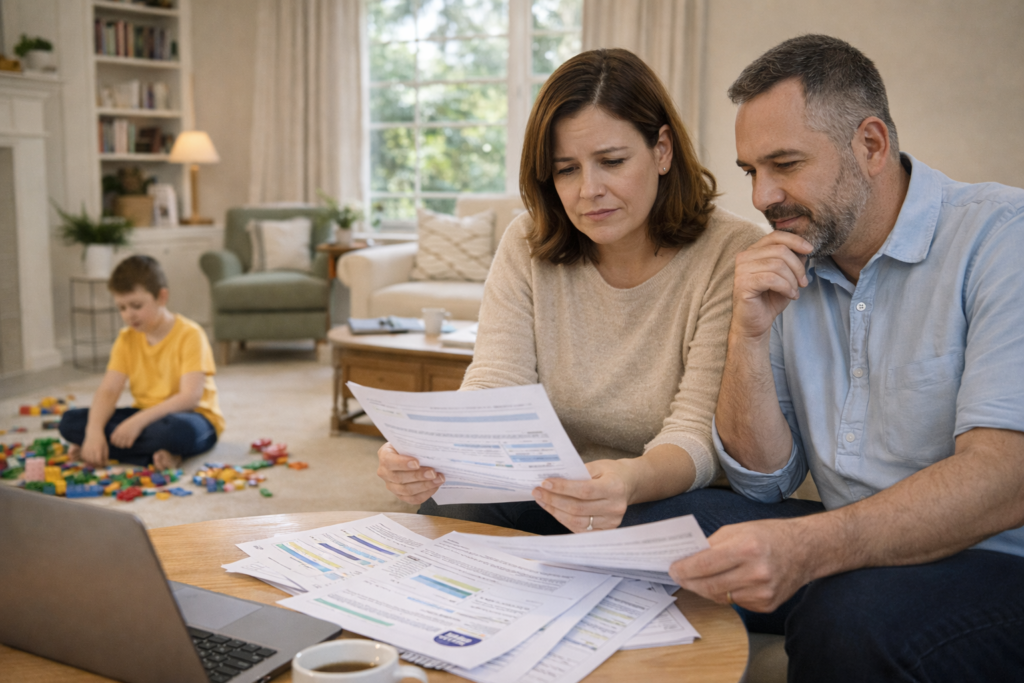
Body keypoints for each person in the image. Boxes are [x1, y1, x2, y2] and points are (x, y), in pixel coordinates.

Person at [656, 35, 1024, 681]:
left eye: (786, 163)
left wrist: (810, 546)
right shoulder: (792, 258)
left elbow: (1005, 478)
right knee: (650, 532)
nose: (763, 197)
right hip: (850, 537)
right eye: (750, 171)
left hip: (995, 558)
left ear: (871, 145)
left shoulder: (1001, 238)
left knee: (848, 615)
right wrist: (746, 335)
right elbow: (763, 479)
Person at [376, 48, 763, 535]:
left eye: (612, 161)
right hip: (548, 486)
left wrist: (627, 479)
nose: (588, 190)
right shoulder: (526, 240)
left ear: (662, 150)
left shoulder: (733, 252)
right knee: (449, 512)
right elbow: (495, 382)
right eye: (566, 169)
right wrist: (430, 454)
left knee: (640, 532)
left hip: (666, 489)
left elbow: (696, 437)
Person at [59, 255, 224, 470]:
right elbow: (109, 390)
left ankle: (119, 451)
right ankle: (156, 456)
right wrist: (93, 432)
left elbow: (189, 398)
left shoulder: (191, 334)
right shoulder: (126, 339)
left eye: (136, 305)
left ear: (161, 297)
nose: (129, 315)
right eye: (122, 308)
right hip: (146, 413)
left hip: (193, 418)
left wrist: (137, 422)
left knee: (176, 433)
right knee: (71, 421)